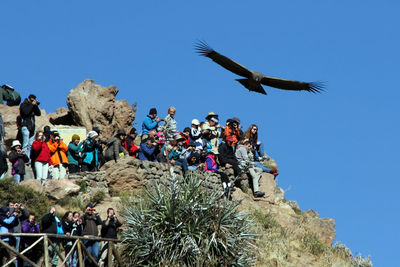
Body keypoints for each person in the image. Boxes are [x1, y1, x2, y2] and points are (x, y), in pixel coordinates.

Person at [19, 94, 41, 160]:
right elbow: (26, 112)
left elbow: (38, 114)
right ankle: (24, 158)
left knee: (30, 144)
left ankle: (28, 159)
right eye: (32, 100)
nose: (33, 101)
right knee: (25, 144)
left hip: (32, 127)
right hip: (25, 126)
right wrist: (31, 105)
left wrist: (36, 106)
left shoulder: (32, 106)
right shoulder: (24, 104)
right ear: (29, 99)